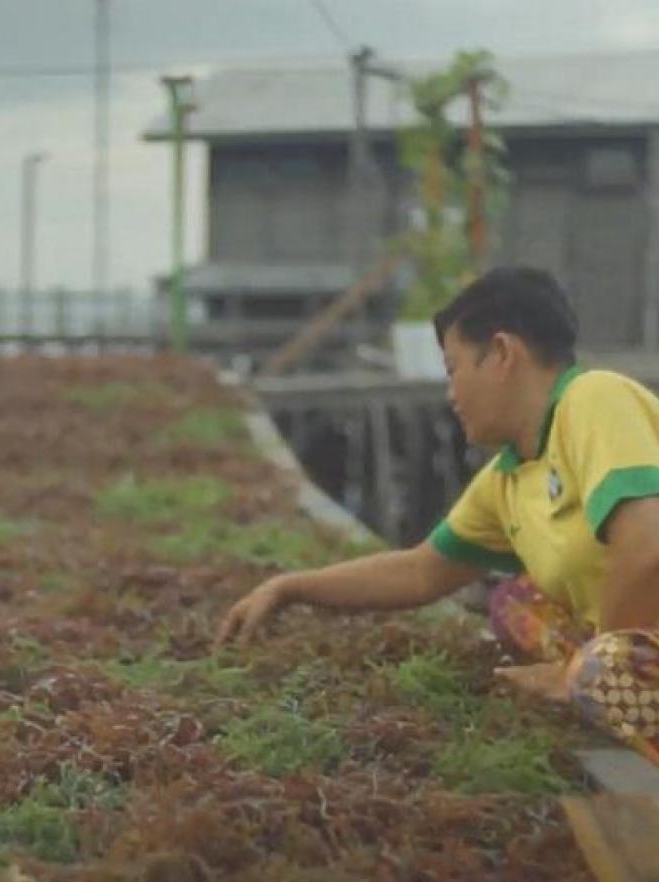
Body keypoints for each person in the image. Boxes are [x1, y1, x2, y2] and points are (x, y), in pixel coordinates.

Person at [217, 266, 659, 753]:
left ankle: (597, 684)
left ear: (502, 354)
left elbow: (646, 546)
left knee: (597, 673)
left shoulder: (594, 398)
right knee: (515, 603)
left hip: (627, 655)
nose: (451, 395)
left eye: (453, 370)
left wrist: (579, 672)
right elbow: (421, 570)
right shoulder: (508, 480)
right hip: (637, 649)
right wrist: (290, 588)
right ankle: (599, 681)